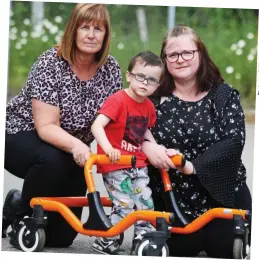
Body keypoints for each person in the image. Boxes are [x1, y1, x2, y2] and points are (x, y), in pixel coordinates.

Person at [2, 3, 122, 248]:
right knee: (53, 160)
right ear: (72, 31)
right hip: (20, 133)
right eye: (84, 27)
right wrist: (79, 147)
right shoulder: (51, 62)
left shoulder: (111, 69)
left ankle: (15, 201)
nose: (91, 34)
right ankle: (22, 218)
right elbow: (46, 126)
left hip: (70, 150)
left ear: (106, 35)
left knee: (61, 239)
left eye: (98, 29)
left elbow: (114, 121)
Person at [141, 24, 252, 258]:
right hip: (171, 197)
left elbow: (233, 141)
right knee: (179, 249)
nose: (180, 59)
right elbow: (129, 129)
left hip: (221, 194)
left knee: (224, 248)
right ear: (164, 61)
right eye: (172, 54)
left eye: (187, 53)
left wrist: (192, 166)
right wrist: (146, 145)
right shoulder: (150, 97)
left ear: (200, 54)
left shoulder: (223, 95)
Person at [90, 51, 166, 255]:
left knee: (145, 202)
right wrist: (109, 150)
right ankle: (107, 238)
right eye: (140, 76)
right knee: (124, 203)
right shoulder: (117, 100)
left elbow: (145, 131)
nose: (145, 83)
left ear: (157, 85)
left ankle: (143, 237)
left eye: (151, 80)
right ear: (129, 76)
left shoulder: (149, 107)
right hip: (116, 163)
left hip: (137, 164)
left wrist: (157, 148)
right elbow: (97, 126)